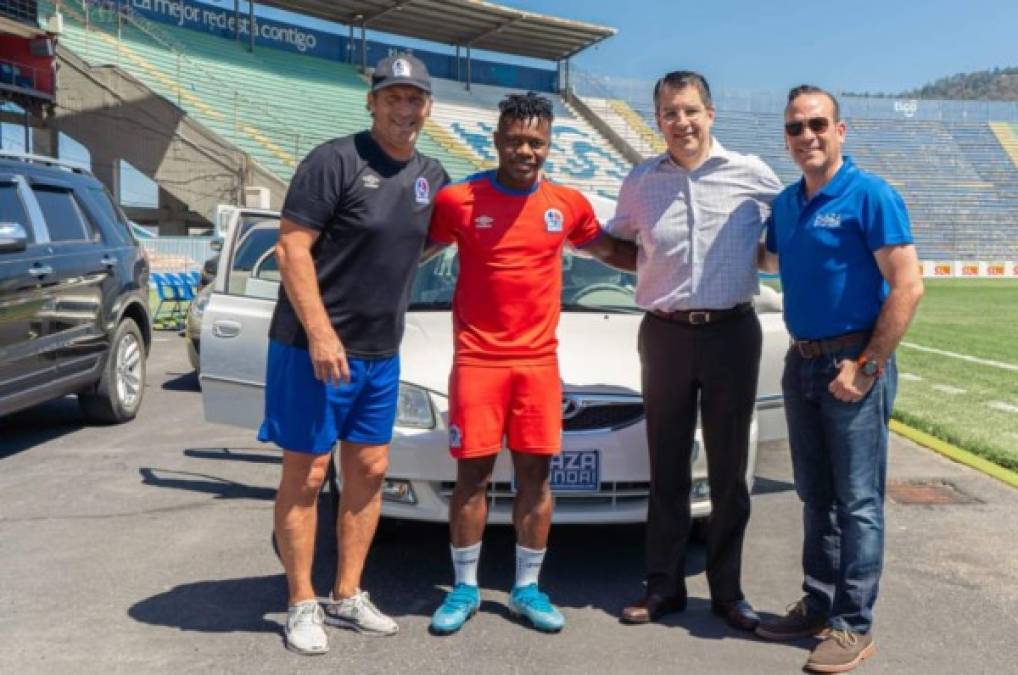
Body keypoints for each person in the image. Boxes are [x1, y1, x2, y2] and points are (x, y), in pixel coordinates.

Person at [423, 92, 635, 635]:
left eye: (536, 142)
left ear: (548, 145)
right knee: (471, 477)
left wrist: (679, 269)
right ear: (495, 141)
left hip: (538, 365)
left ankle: (526, 589)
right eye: (515, 140)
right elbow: (407, 253)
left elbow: (611, 253)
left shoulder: (567, 205)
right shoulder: (457, 201)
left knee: (536, 480)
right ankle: (465, 588)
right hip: (477, 362)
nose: (525, 150)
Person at [257, 53, 448, 655]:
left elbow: (420, 247)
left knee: (369, 472)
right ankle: (300, 601)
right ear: (371, 102)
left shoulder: (432, 175)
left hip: (379, 353)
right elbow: (291, 248)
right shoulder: (334, 161)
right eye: (392, 96)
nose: (403, 107)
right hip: (314, 351)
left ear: (427, 107)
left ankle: (347, 591)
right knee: (308, 473)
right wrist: (320, 332)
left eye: (413, 97)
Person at [604, 71, 783, 631]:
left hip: (732, 332)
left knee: (729, 471)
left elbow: (785, 239)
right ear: (657, 120)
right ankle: (663, 588)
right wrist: (649, 270)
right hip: (665, 333)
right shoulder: (639, 182)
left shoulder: (752, 174)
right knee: (668, 465)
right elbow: (619, 244)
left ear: (710, 113)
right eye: (668, 114)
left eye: (689, 111)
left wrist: (765, 260)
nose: (680, 123)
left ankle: (728, 591)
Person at [756, 85, 923, 673]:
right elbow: (767, 259)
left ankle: (853, 624)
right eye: (796, 127)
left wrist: (868, 366)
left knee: (858, 502)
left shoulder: (870, 194)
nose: (808, 136)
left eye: (818, 124)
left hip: (853, 360)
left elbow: (907, 285)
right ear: (786, 137)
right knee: (815, 495)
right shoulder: (784, 203)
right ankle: (818, 603)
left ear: (841, 129)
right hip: (802, 361)